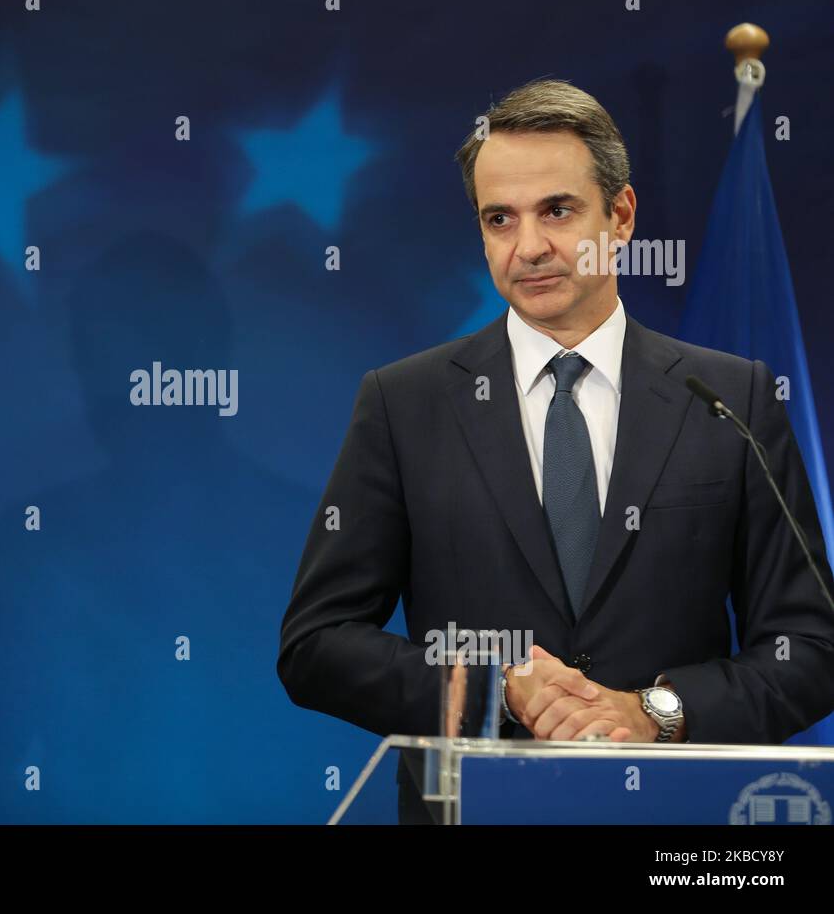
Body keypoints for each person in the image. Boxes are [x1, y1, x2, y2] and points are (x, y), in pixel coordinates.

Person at [277, 78, 834, 824]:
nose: (528, 246)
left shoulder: (731, 399)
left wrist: (656, 712)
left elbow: (810, 645)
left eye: (558, 211)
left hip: (673, 830)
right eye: (499, 218)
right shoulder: (404, 405)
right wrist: (493, 690)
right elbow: (316, 644)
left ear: (622, 216)